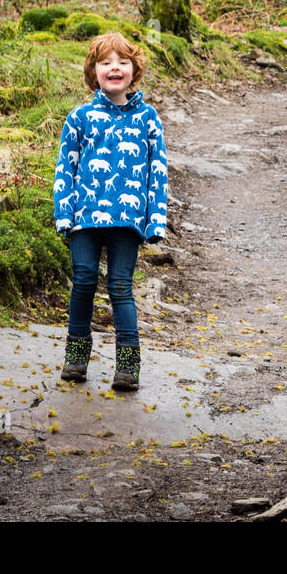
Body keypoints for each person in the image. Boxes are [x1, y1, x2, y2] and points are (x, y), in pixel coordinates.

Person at [52, 31, 169, 390]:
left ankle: (128, 365)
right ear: (94, 72)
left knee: (120, 286)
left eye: (122, 62)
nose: (114, 68)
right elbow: (65, 168)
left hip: (127, 220)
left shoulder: (148, 119)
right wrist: (64, 213)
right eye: (105, 63)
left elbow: (157, 171)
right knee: (84, 279)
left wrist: (156, 220)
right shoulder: (80, 117)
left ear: (134, 70)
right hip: (85, 219)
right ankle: (75, 358)